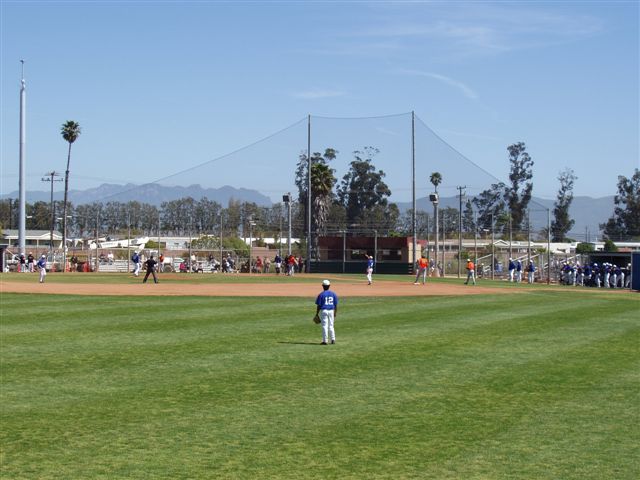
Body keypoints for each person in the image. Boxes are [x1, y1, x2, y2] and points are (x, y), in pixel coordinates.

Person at [315, 279, 338, 345]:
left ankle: (325, 341)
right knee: (331, 325)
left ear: (323, 286)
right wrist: (335, 312)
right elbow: (335, 304)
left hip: (324, 311)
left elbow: (319, 305)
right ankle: (333, 339)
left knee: (324, 326)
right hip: (331, 310)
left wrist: (317, 313)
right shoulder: (333, 294)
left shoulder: (321, 294)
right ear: (329, 286)